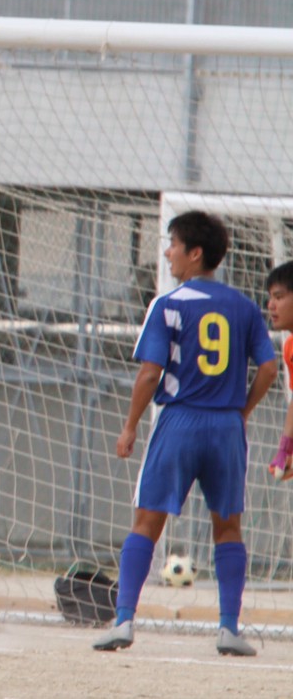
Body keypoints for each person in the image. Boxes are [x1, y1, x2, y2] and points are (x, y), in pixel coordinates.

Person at [93, 210, 277, 656]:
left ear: (195, 254)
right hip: (226, 426)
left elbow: (149, 373)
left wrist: (131, 425)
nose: (167, 252)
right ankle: (228, 629)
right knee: (228, 526)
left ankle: (124, 622)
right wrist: (242, 410)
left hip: (179, 421)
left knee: (148, 520)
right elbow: (269, 367)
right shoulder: (245, 307)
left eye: (172, 244)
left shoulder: (168, 304)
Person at [263, 262, 293, 480]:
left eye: (279, 297)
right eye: (270, 297)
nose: (271, 305)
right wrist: (286, 448)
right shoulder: (290, 346)